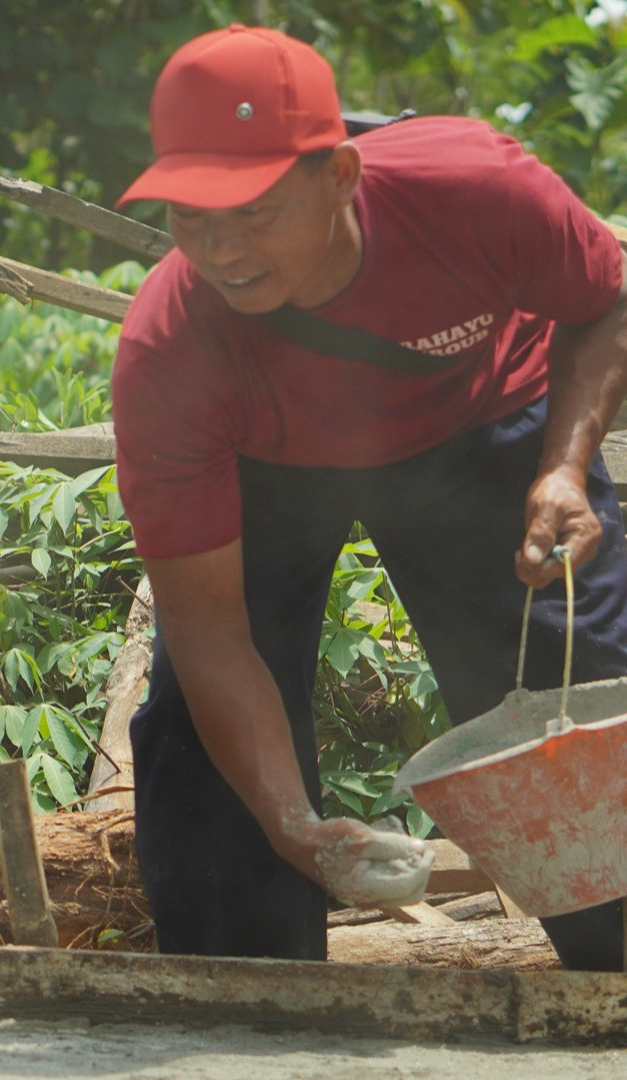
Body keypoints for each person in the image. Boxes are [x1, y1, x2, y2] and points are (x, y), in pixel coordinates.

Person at [111, 24, 627, 969]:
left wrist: (562, 466)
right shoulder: (169, 351)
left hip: (484, 419)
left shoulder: (479, 190)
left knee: (584, 696)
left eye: (252, 211)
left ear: (340, 176)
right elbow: (212, 632)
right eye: (191, 216)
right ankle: (249, 1007)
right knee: (202, 732)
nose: (219, 250)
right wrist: (292, 822)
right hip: (267, 463)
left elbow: (605, 301)